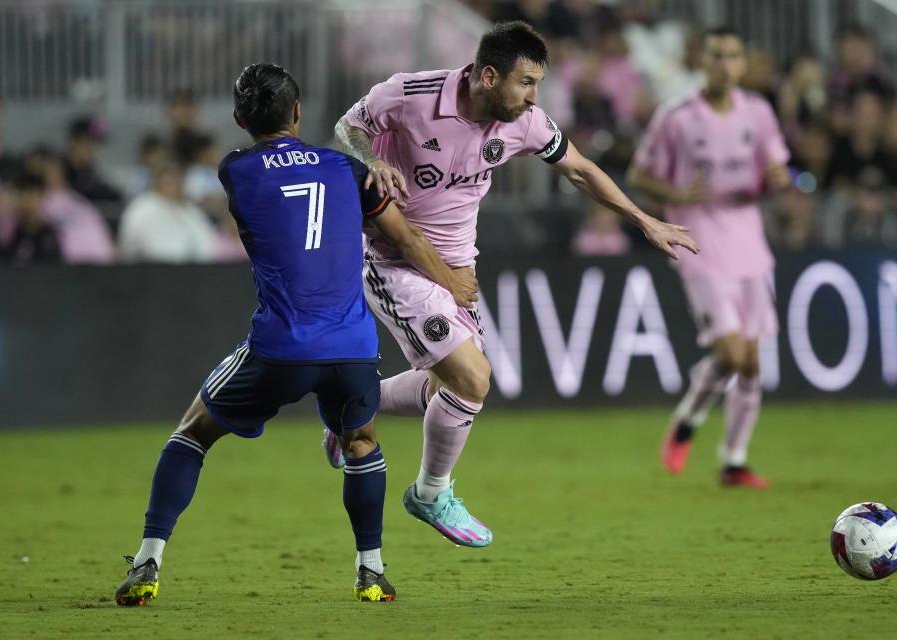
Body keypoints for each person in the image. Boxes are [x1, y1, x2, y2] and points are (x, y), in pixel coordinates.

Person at [114, 63, 478, 606]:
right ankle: (371, 573)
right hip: (353, 348)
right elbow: (405, 238)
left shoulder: (236, 170)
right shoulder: (350, 171)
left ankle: (147, 561)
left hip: (281, 346)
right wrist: (452, 280)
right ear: (299, 112)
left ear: (240, 118)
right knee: (361, 443)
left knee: (192, 432)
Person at [327, 20, 698, 547]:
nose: (533, 97)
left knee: (447, 389)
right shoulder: (411, 95)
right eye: (525, 83)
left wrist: (644, 219)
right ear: (488, 76)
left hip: (461, 269)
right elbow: (347, 126)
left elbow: (580, 170)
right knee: (474, 379)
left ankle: (349, 408)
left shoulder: (526, 123)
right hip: (396, 261)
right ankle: (431, 493)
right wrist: (373, 160)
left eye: (538, 84)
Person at [627, 26, 791, 488]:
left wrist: (777, 179)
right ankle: (687, 420)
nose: (725, 64)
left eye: (734, 55)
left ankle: (734, 460)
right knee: (732, 353)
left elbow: (774, 168)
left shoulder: (757, 113)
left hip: (750, 247)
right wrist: (678, 192)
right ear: (704, 63)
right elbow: (640, 173)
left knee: (751, 363)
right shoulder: (677, 117)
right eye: (717, 55)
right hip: (698, 244)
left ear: (742, 63)